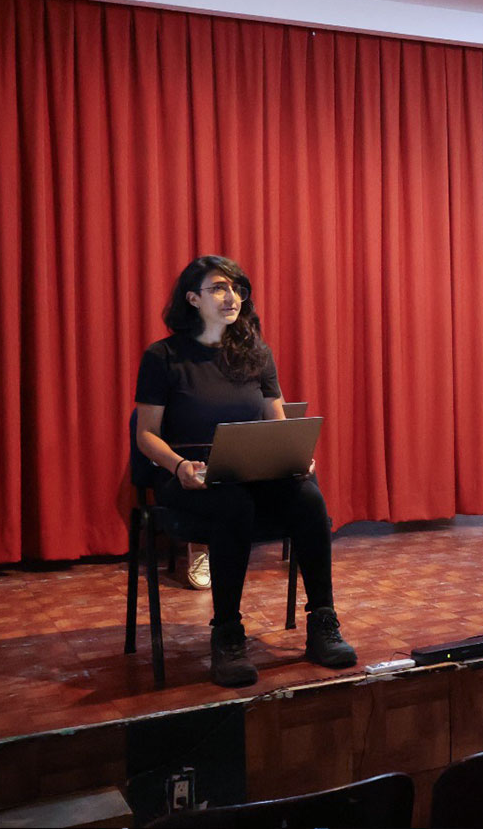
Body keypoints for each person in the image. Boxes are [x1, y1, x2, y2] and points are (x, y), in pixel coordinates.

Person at [134, 256, 356, 687]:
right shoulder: (163, 357)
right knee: (232, 503)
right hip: (188, 475)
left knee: (308, 496)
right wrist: (179, 466)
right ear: (193, 298)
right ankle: (228, 634)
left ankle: (322, 622)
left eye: (237, 288)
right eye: (219, 288)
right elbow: (146, 435)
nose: (231, 297)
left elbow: (277, 420)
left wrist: (295, 455)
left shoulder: (256, 352)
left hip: (250, 468)